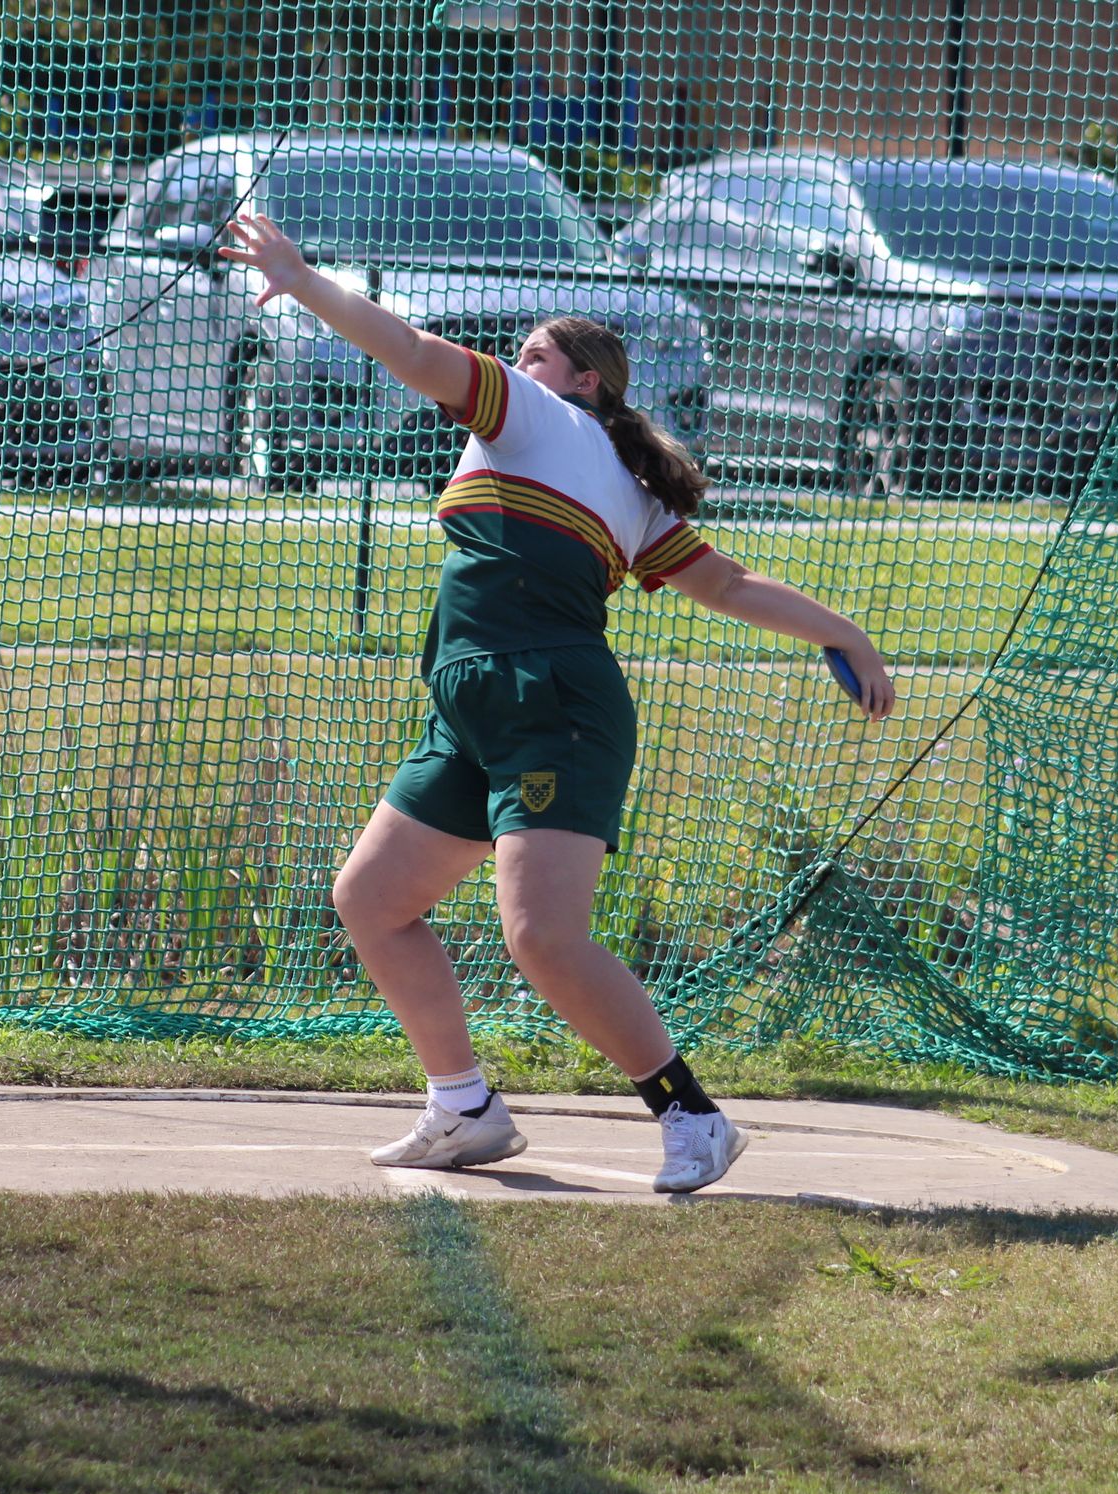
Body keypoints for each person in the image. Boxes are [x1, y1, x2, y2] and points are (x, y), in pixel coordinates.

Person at [218, 211, 896, 1193]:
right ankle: (464, 1108)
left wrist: (304, 279)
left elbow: (406, 348)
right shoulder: (615, 474)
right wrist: (845, 632)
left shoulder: (534, 415)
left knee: (542, 935)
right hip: (473, 710)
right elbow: (732, 586)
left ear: (583, 382)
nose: (514, 360)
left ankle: (694, 1117)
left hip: (553, 703)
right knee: (371, 900)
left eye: (533, 352)